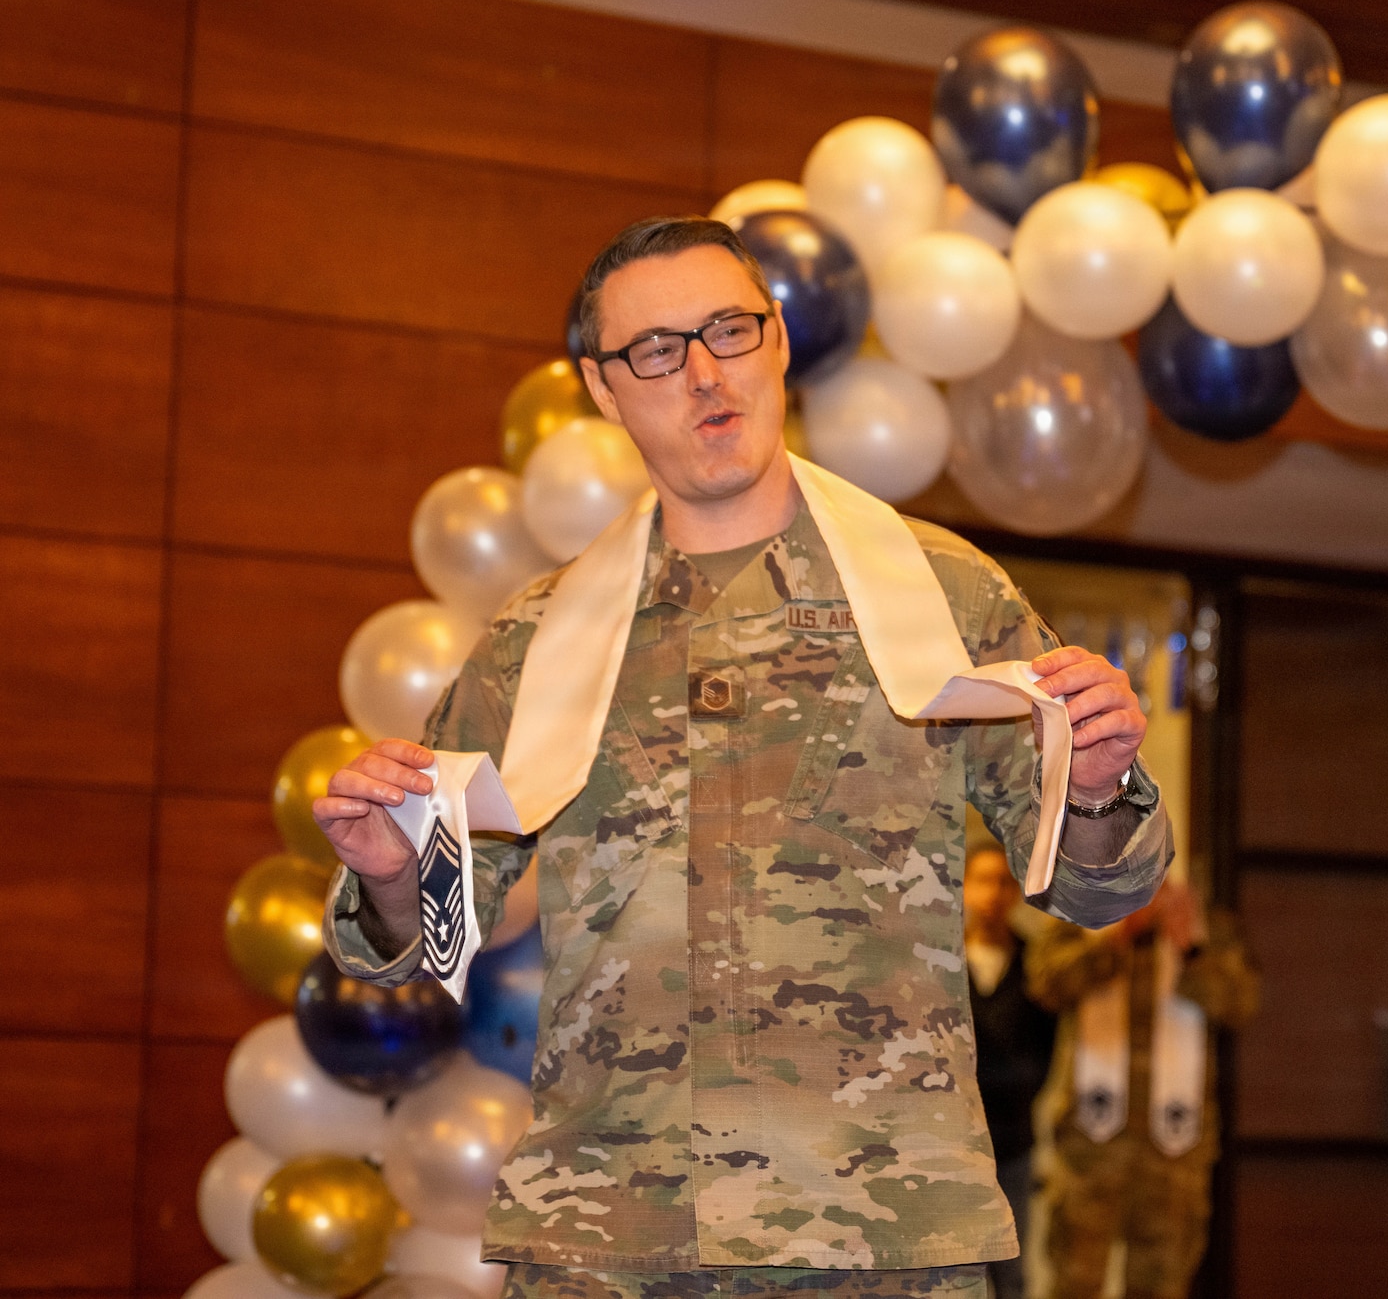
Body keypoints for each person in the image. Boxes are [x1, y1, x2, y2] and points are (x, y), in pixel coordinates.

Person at [311, 216, 1171, 1299]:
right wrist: (389, 875)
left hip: (877, 1236)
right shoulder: (540, 638)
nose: (705, 372)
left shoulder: (938, 594)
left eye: (730, 328)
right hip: (608, 1240)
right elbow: (418, 937)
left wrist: (1095, 785)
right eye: (658, 350)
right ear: (602, 387)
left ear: (777, 344)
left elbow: (1099, 888)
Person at [1027, 880, 1257, 1299]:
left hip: (1174, 1151)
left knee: (1161, 1285)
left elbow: (1239, 1003)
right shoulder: (1078, 910)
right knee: (1072, 1284)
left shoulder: (1208, 922)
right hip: (1089, 1147)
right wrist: (1116, 936)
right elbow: (1047, 983)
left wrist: (1191, 949)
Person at [962, 841, 1057, 1299]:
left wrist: (1014, 1093)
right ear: (962, 888)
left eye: (1004, 882)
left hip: (1013, 1142)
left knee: (1011, 1273)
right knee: (957, 1268)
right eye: (982, 880)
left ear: (1017, 890)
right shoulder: (939, 962)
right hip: (952, 1147)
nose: (993, 893)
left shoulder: (1036, 965)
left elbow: (1046, 1056)